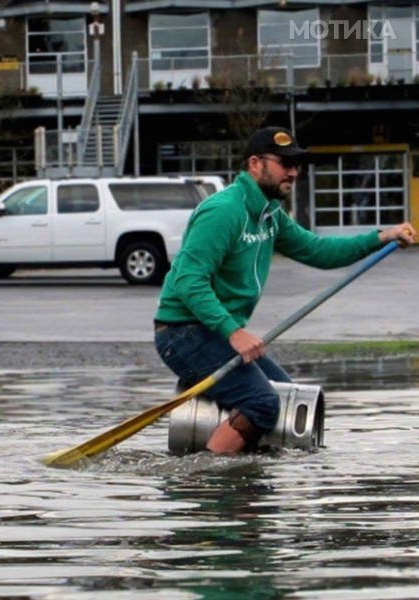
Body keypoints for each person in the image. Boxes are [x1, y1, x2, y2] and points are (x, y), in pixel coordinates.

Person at [154, 126, 416, 455]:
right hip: (182, 332)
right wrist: (233, 332)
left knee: (285, 396)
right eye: (284, 163)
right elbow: (188, 281)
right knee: (262, 402)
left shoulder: (271, 214)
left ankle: (246, 480)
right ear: (254, 164)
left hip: (214, 332)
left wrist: (382, 236)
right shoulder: (224, 211)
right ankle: (207, 479)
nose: (293, 171)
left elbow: (320, 251)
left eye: (296, 164)